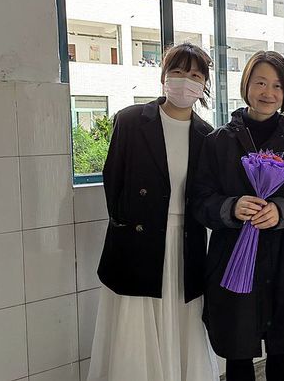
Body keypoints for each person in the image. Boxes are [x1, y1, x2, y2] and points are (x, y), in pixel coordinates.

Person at [88, 43, 219, 381]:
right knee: (136, 325)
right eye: (178, 72)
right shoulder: (132, 120)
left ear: (204, 84)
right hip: (138, 241)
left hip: (186, 243)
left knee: (181, 323)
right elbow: (113, 179)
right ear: (164, 77)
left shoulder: (207, 135)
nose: (185, 81)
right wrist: (126, 225)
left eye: (195, 75)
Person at [191, 51, 284, 381]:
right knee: (238, 347)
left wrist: (282, 211)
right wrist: (231, 207)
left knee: (282, 346)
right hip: (233, 255)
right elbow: (200, 200)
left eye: (277, 86)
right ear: (246, 84)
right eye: (260, 82)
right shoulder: (218, 141)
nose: (268, 92)